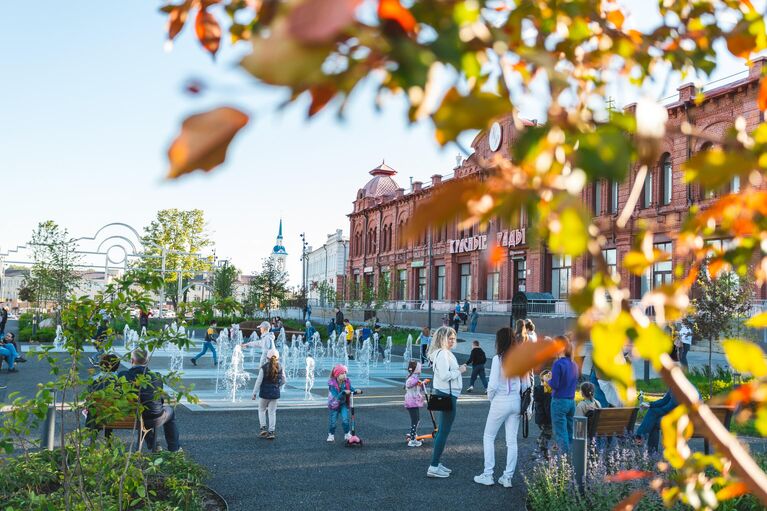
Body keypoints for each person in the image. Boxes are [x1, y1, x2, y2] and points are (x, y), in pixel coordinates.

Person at [474, 327, 531, 488]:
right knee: (511, 441)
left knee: (489, 437)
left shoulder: (498, 359)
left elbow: (491, 385)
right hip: (516, 401)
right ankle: (507, 477)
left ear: (500, 341)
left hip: (500, 399)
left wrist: (491, 399)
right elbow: (527, 384)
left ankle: (488, 474)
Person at [118, 348, 180, 452]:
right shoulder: (156, 376)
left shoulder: (123, 376)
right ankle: (174, 449)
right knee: (170, 412)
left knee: (140, 411)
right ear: (147, 361)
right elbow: (159, 400)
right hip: (154, 418)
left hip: (131, 417)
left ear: (132, 360)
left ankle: (154, 444)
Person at [426, 326, 466, 478]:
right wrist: (460, 370)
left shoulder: (440, 353)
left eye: (454, 338)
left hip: (443, 393)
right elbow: (444, 375)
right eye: (449, 338)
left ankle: (436, 463)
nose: (452, 341)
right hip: (447, 395)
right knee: (443, 431)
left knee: (441, 430)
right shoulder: (443, 354)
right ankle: (434, 466)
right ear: (442, 338)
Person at [549, 336, 578, 453]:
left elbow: (554, 384)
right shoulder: (574, 364)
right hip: (571, 402)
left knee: (561, 433)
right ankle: (572, 456)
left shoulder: (558, 364)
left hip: (559, 401)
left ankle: (564, 461)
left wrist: (547, 381)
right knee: (570, 431)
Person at [86, 353, 122, 437]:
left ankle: (93, 437)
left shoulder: (94, 380)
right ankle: (108, 441)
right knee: (110, 406)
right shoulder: (119, 381)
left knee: (95, 408)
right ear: (117, 366)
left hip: (96, 416)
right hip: (115, 416)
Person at [253, 348, 285, 440]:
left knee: (262, 410)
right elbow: (284, 380)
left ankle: (263, 428)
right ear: (277, 358)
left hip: (264, 393)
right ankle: (271, 432)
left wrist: (254, 393)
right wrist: (277, 385)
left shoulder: (263, 368)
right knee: (272, 413)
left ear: (267, 358)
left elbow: (258, 381)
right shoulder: (280, 367)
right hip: (275, 394)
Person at [326, 364, 361, 442]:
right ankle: (331, 434)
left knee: (345, 419)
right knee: (333, 422)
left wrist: (355, 391)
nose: (344, 375)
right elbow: (336, 396)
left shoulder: (346, 382)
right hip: (334, 404)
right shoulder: (332, 384)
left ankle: (347, 433)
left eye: (345, 373)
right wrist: (343, 392)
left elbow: (350, 389)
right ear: (337, 374)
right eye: (342, 373)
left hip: (343, 404)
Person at [404, 360, 426, 447]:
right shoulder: (412, 378)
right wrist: (417, 382)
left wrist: (422, 383)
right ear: (416, 369)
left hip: (413, 402)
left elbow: (416, 386)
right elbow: (409, 384)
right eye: (419, 368)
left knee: (417, 419)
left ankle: (413, 434)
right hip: (411, 402)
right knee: (415, 420)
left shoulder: (414, 377)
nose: (420, 369)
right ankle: (412, 440)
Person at [533, 370, 553, 457]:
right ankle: (539, 450)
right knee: (547, 434)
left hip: (539, 417)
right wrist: (550, 418)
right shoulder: (547, 392)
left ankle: (544, 452)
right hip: (546, 418)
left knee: (545, 433)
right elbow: (547, 407)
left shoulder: (537, 389)